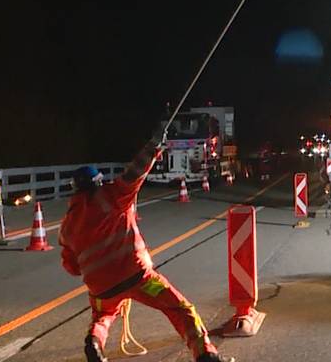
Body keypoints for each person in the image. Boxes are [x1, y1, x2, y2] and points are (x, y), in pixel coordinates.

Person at [59, 141, 232, 362]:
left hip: (101, 288)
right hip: (138, 276)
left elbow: (72, 268)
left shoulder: (66, 226)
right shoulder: (110, 196)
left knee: (103, 316)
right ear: (98, 182)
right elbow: (134, 175)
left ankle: (94, 342)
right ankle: (205, 354)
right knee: (180, 309)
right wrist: (153, 148)